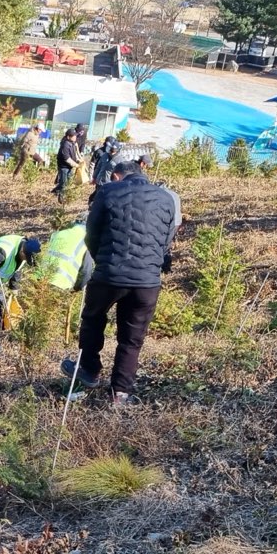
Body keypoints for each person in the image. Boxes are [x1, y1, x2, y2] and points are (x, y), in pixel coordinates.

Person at [76, 160, 181, 407]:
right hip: (147, 282)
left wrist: (102, 259)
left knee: (92, 319)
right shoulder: (166, 198)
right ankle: (120, 394)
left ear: (116, 176)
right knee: (131, 338)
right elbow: (166, 240)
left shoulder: (108, 191)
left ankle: (89, 371)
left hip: (109, 274)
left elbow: (91, 232)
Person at [41, 221, 91, 293]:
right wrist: (77, 290)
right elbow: (85, 271)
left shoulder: (60, 233)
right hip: (61, 284)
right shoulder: (86, 240)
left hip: (41, 278)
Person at [53, 129, 81, 203]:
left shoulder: (72, 143)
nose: (75, 137)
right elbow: (67, 158)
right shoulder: (65, 145)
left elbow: (74, 154)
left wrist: (78, 160)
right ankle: (61, 197)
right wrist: (75, 165)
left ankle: (56, 190)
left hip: (69, 166)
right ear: (68, 137)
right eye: (74, 136)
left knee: (68, 181)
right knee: (64, 182)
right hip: (64, 167)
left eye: (75, 136)